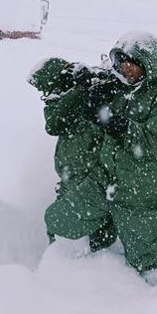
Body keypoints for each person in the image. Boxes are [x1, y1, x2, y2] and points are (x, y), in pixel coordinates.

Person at [43, 32, 157, 284]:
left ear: (146, 63)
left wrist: (111, 120)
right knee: (59, 219)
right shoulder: (115, 87)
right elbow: (60, 121)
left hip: (139, 191)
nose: (125, 67)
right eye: (120, 61)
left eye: (131, 61)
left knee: (147, 261)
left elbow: (152, 143)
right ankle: (72, 266)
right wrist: (88, 92)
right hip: (103, 180)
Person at [28, 58, 111, 248]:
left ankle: (97, 261)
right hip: (71, 179)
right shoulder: (65, 102)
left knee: (68, 225)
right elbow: (54, 123)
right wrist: (75, 91)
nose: (45, 94)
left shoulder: (87, 98)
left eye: (47, 89)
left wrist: (84, 88)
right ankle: (63, 264)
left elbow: (56, 124)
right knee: (59, 230)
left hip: (88, 180)